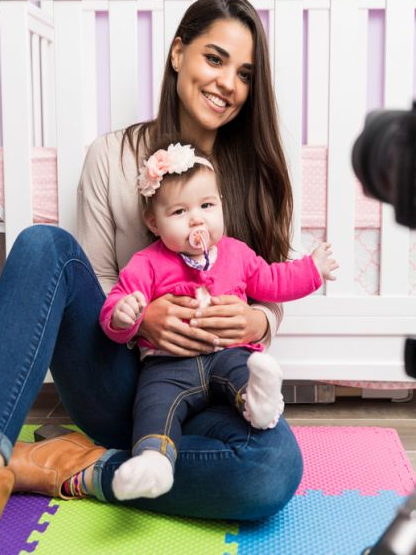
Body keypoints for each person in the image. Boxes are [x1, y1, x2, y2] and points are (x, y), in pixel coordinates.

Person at [0, 0, 305, 555]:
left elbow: (272, 297)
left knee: (272, 469)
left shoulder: (260, 174)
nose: (227, 83)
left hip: (225, 390)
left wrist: (253, 322)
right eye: (214, 58)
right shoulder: (111, 156)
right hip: (130, 386)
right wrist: (143, 317)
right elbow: (95, 281)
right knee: (43, 244)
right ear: (178, 54)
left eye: (245, 73)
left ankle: (67, 465)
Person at [103, 141, 337, 501]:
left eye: (207, 206)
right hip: (168, 366)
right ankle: (154, 460)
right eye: (179, 211)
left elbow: (274, 281)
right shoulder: (146, 263)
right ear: (154, 222)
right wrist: (124, 314)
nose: (197, 219)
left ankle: (258, 402)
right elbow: (117, 302)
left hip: (227, 354)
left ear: (222, 206)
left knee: (242, 368)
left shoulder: (236, 253)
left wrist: (312, 270)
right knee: (153, 403)